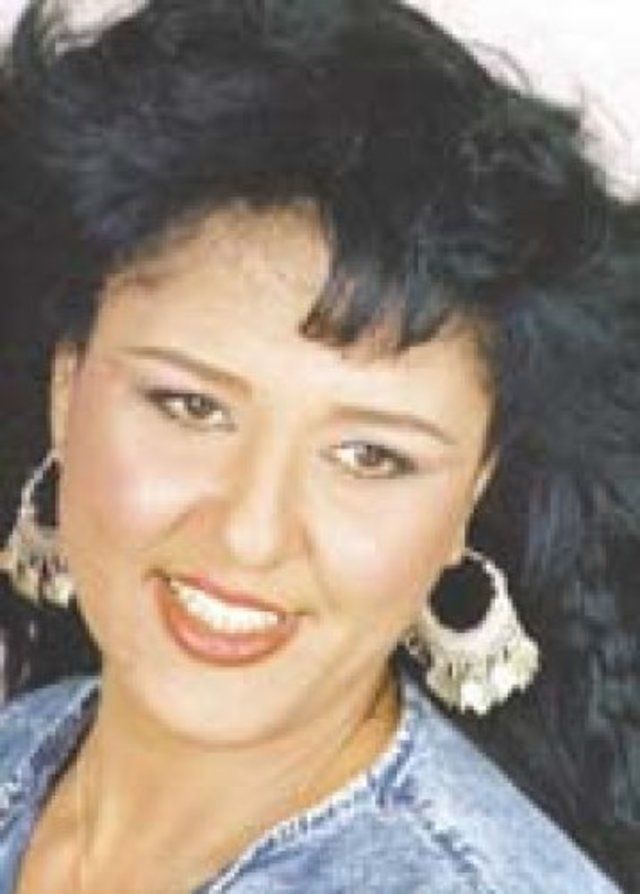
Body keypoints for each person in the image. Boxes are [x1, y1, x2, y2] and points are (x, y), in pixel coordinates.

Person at [0, 0, 637, 891]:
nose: (251, 534)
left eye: (371, 457)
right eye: (190, 406)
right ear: (68, 385)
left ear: (474, 490)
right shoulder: (23, 749)